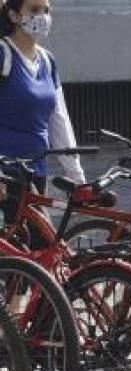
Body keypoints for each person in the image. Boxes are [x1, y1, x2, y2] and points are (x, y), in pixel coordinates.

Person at [0, 0, 85, 244]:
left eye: (46, 10)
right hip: (5, 176)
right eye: (34, 9)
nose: (43, 16)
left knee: (38, 254)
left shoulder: (48, 62)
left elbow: (59, 120)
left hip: (35, 172)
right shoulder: (3, 54)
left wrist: (76, 178)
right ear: (15, 15)